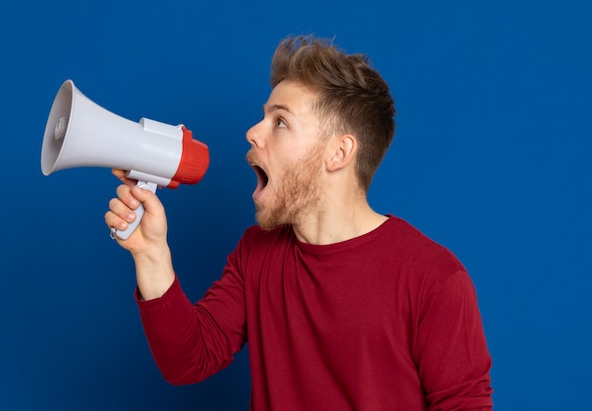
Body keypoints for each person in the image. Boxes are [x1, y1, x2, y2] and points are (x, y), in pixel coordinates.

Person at [105, 35, 493, 411]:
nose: (253, 132)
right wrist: (151, 254)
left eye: (281, 122)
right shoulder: (255, 252)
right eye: (263, 117)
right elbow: (189, 359)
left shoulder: (434, 278)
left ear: (338, 152)